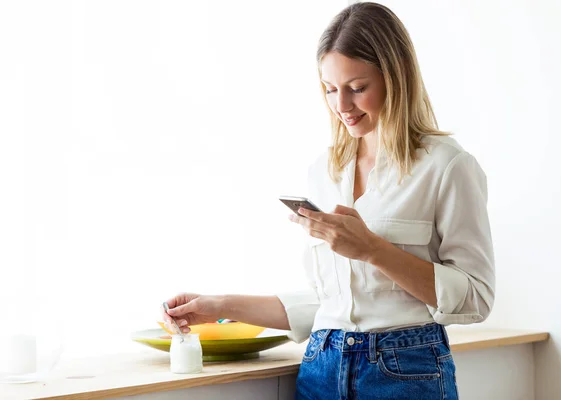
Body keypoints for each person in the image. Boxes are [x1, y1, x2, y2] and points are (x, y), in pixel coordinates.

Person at [162, 2, 495, 399]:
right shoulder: (325, 171)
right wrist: (217, 305)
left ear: (397, 78)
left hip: (406, 371)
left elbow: (476, 296)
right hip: (322, 368)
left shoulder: (447, 166)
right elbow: (328, 304)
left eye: (357, 88)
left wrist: (371, 249)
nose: (342, 106)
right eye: (331, 89)